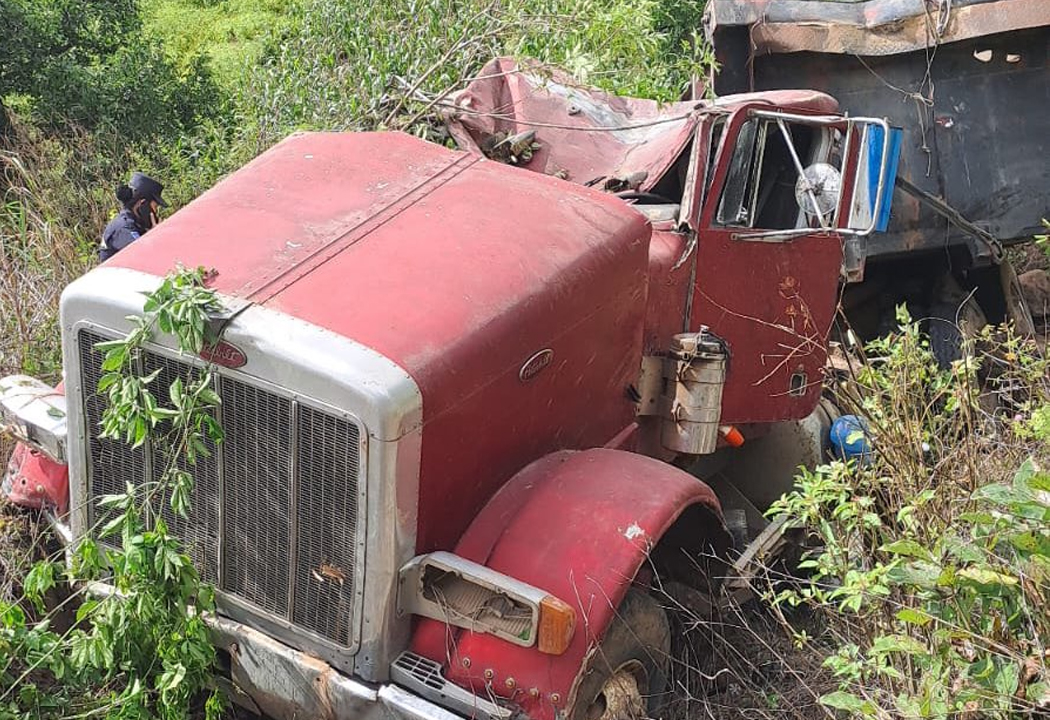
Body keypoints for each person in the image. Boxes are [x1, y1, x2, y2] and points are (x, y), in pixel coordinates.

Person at [99, 172, 167, 262]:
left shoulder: (135, 224)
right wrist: (154, 236)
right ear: (143, 205)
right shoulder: (123, 228)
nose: (156, 212)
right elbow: (146, 258)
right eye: (155, 207)